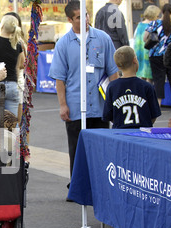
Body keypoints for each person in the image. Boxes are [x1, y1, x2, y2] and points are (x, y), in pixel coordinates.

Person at [48, 0, 119, 184]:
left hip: (100, 105)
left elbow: (113, 73)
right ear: (70, 19)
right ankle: (78, 185)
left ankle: (101, 184)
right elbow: (59, 79)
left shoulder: (103, 38)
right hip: (75, 106)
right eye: (79, 17)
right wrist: (63, 105)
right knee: (77, 149)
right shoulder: (63, 44)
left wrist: (115, 102)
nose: (85, 19)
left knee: (101, 148)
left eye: (86, 14)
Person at [103, 46, 161, 128]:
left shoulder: (112, 86)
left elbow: (109, 115)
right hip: (142, 134)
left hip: (120, 134)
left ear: (117, 65)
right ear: (134, 60)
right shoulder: (147, 86)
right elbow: (154, 115)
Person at [0, 14, 24, 118]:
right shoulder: (17, 44)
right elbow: (21, 65)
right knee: (12, 121)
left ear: (1, 27)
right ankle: (13, 135)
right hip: (13, 84)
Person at [144, 3, 171, 110]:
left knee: (158, 79)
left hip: (155, 55)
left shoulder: (154, 23)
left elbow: (145, 38)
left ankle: (158, 103)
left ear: (161, 12)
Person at [133, 5, 160, 82]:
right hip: (148, 52)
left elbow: (135, 37)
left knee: (142, 75)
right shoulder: (153, 25)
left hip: (139, 52)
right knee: (150, 77)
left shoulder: (139, 24)